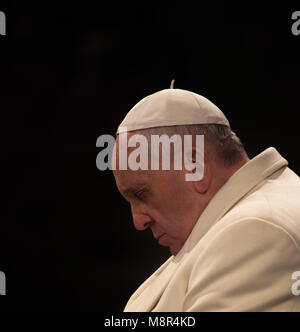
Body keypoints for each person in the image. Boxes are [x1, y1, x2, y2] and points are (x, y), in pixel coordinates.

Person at [112, 86, 300, 312]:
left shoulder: (255, 231)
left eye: (141, 194)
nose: (138, 221)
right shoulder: (236, 224)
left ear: (195, 165)